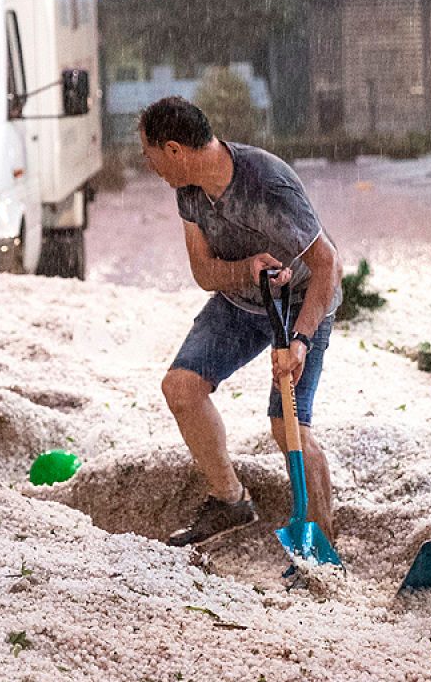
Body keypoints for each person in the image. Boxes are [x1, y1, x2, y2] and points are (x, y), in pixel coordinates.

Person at [138, 96, 343, 549]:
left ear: (173, 149)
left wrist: (301, 340)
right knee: (181, 389)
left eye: (148, 153)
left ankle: (322, 543)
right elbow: (204, 273)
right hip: (240, 305)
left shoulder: (267, 183)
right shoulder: (188, 190)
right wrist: (246, 268)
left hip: (301, 302)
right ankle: (230, 500)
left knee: (288, 427)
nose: (147, 164)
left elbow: (329, 266)